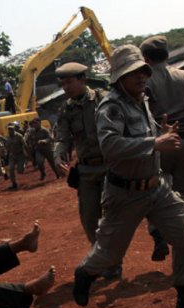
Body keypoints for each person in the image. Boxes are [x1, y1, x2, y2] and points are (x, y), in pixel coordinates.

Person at [72, 45, 184, 308]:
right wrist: (155, 143)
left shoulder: (143, 99)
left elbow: (142, 138)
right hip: (125, 193)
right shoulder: (112, 106)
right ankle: (86, 272)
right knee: (110, 254)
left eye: (143, 70)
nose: (141, 76)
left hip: (157, 187)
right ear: (118, 77)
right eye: (133, 72)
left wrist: (159, 134)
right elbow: (110, 145)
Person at [139, 35, 184, 262]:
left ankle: (158, 233)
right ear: (167, 55)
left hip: (158, 147)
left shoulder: (143, 81)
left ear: (145, 58)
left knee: (155, 195)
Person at [52, 62, 122, 278]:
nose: (66, 88)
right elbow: (62, 136)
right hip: (86, 171)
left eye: (69, 82)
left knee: (112, 215)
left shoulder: (104, 99)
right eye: (63, 84)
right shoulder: (66, 108)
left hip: (111, 166)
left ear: (83, 79)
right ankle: (105, 256)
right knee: (89, 217)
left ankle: (114, 261)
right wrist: (57, 154)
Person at [6, 122, 27, 190]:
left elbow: (24, 145)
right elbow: (9, 146)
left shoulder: (19, 136)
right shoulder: (8, 136)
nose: (10, 130)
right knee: (11, 169)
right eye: (9, 129)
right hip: (12, 155)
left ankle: (24, 164)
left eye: (11, 129)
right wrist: (7, 153)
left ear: (14, 128)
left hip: (20, 154)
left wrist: (27, 155)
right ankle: (14, 183)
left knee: (20, 171)